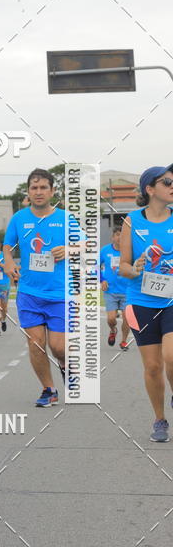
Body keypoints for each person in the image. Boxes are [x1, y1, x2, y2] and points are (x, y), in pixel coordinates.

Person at [3, 168, 78, 408]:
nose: (38, 192)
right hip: (29, 293)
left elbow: (86, 245)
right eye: (34, 188)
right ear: (28, 191)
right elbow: (7, 245)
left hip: (60, 294)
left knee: (58, 347)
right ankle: (49, 389)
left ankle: (67, 366)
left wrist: (68, 250)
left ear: (52, 191)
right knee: (35, 344)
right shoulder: (19, 219)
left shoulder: (66, 218)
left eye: (43, 187)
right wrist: (9, 261)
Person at [120, 164, 173, 443]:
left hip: (172, 300)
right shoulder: (131, 221)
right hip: (140, 302)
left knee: (171, 356)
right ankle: (160, 419)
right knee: (152, 367)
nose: (172, 186)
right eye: (167, 181)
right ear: (150, 189)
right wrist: (136, 267)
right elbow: (123, 268)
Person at [99, 225, 130, 350]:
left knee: (127, 318)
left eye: (123, 235)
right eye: (117, 235)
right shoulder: (105, 251)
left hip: (127, 290)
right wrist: (102, 280)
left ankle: (123, 341)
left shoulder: (130, 251)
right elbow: (95, 267)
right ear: (113, 237)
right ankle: (113, 330)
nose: (120, 237)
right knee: (111, 319)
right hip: (110, 291)